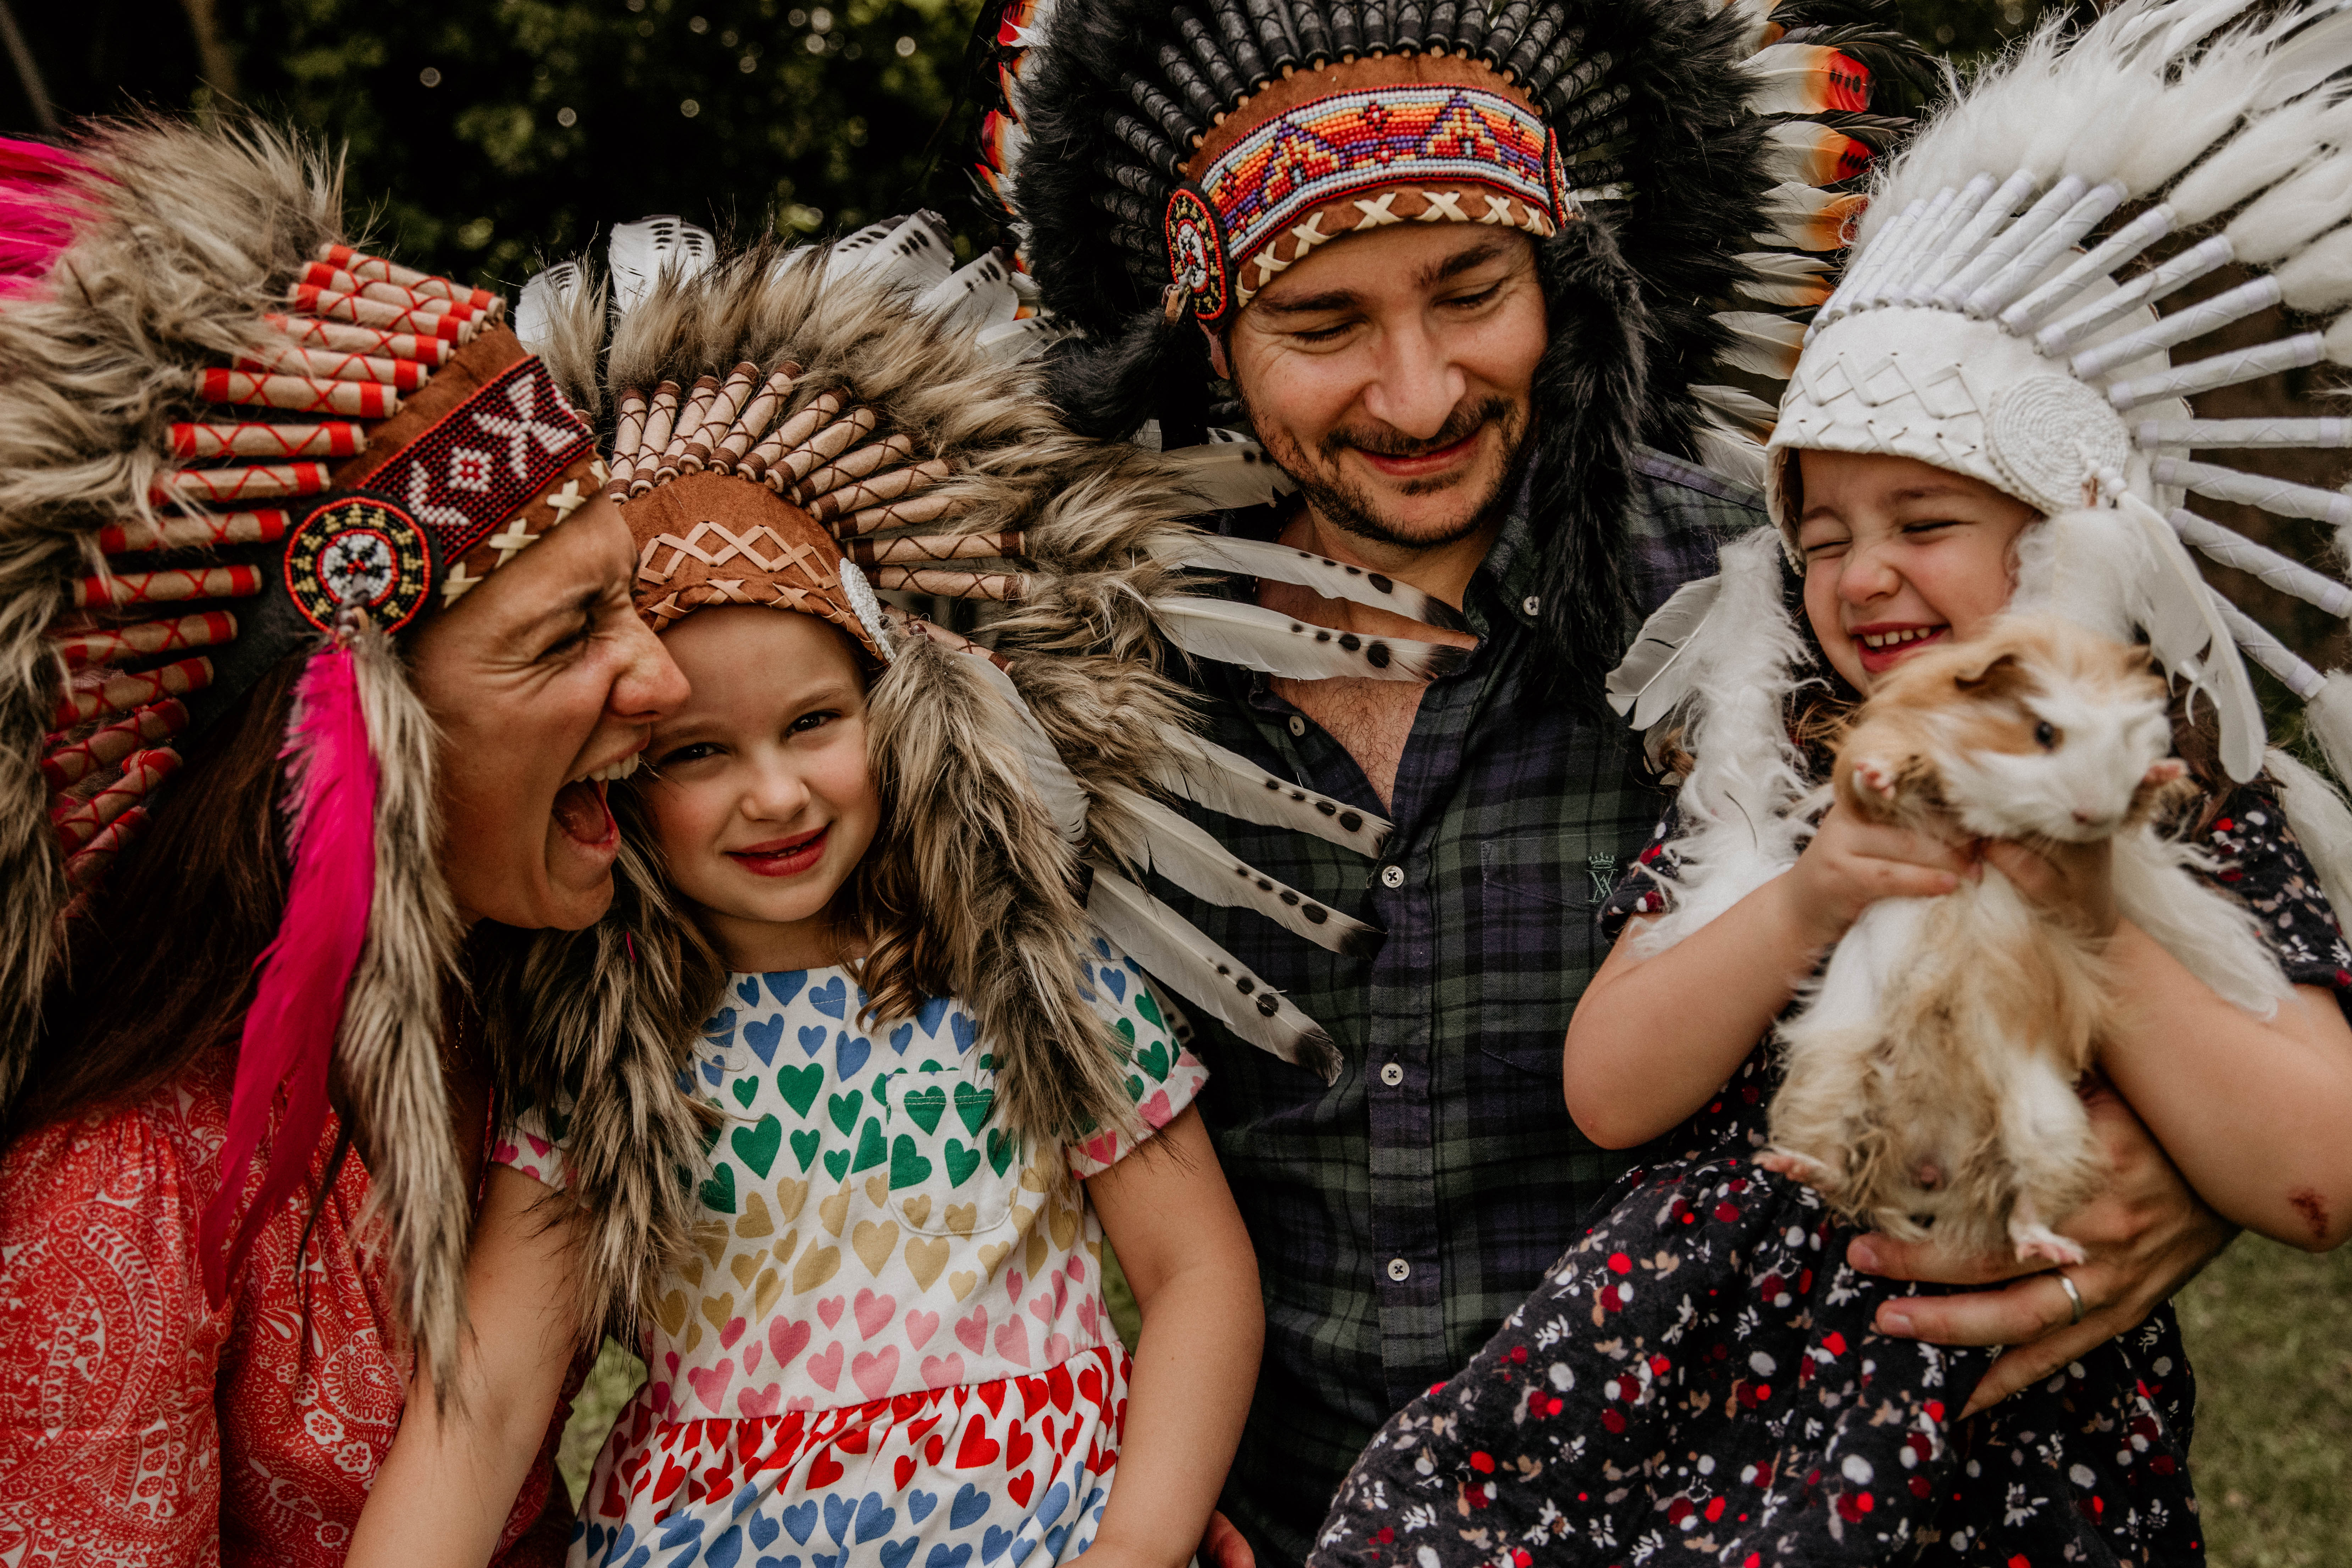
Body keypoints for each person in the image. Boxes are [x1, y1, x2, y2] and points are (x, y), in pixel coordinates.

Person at [983, 1, 2259, 1559]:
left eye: (1470, 292)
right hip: (1287, 1514)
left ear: (1560, 283)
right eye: (1320, 328)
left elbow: (2139, 911)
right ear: (1206, 338)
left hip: (1705, 1506)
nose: (1417, 390)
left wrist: (2165, 1180)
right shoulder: (1087, 671)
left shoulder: (1776, 607)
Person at [1308, 2, 2352, 1558]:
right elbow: (1610, 1086)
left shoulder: (2174, 800)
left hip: (1995, 1428)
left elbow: (2313, 1172)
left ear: (2067, 532)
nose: (1861, 575)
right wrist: (1808, 887)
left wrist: (2086, 896)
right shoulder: (1786, 775)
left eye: (1921, 519)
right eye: (1819, 535)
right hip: (1685, 1392)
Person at [344, 234, 1275, 1568]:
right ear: (622, 775)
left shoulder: (1029, 984)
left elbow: (1197, 1276)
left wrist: (1139, 1542)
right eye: (698, 755)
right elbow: (484, 1400)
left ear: (892, 712)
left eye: (814, 723)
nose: (774, 795)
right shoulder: (617, 1065)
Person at [0, 121, 689, 1563]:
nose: (665, 682)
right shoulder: (120, 1190)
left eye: (628, 600)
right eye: (569, 631)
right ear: (340, 740)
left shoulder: (514, 991)